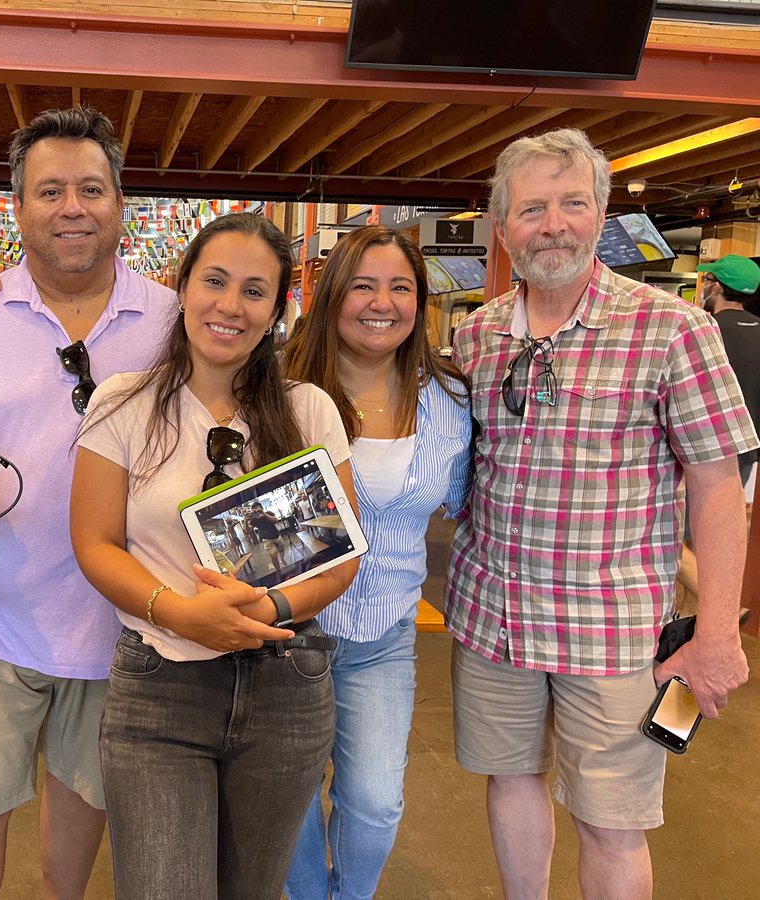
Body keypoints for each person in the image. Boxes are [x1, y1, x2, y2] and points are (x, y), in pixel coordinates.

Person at [446, 128, 757, 899]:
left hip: (613, 628)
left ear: (603, 214)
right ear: (503, 227)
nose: (552, 224)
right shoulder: (477, 335)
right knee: (511, 781)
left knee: (612, 821)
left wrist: (717, 631)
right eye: (531, 209)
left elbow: (718, 486)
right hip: (494, 618)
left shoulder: (673, 329)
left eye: (572, 204)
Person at [0, 106, 174, 900]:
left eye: (91, 188)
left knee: (81, 819)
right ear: (17, 208)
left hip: (119, 623)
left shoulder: (170, 321)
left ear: (122, 202)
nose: (72, 207)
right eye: (50, 191)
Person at [70, 213, 359, 899]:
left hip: (285, 685)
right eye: (216, 282)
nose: (230, 305)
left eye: (255, 291)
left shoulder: (306, 409)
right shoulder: (124, 404)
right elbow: (93, 542)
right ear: (183, 287)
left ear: (277, 310)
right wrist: (179, 615)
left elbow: (340, 559)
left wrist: (272, 606)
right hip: (159, 694)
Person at [281, 224, 472, 900]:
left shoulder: (450, 401)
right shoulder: (280, 391)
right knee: (291, 798)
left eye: (400, 287)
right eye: (363, 285)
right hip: (287, 636)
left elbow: (468, 498)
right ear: (333, 295)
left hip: (384, 635)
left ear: (420, 302)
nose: (381, 302)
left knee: (374, 801)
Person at [698, 254, 760, 485]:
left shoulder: (705, 329)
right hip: (746, 449)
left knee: (690, 520)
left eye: (706, 280)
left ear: (716, 287)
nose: (704, 286)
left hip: (705, 449)